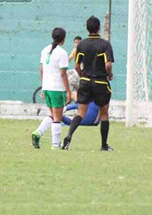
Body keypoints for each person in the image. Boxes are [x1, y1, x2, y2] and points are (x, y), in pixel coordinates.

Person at [62, 16, 115, 151]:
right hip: (100, 82)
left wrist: (83, 77)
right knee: (104, 114)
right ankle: (104, 145)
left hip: (85, 82)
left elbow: (76, 66)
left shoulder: (81, 44)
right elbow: (108, 65)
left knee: (80, 113)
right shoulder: (105, 44)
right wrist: (109, 74)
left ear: (87, 28)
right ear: (98, 28)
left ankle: (68, 137)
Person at [31, 28, 72, 149]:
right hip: (57, 88)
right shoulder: (62, 53)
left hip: (48, 87)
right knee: (58, 118)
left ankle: (38, 132)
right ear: (63, 39)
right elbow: (63, 73)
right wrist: (68, 91)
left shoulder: (45, 50)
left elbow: (41, 69)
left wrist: (43, 87)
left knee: (52, 114)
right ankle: (55, 145)